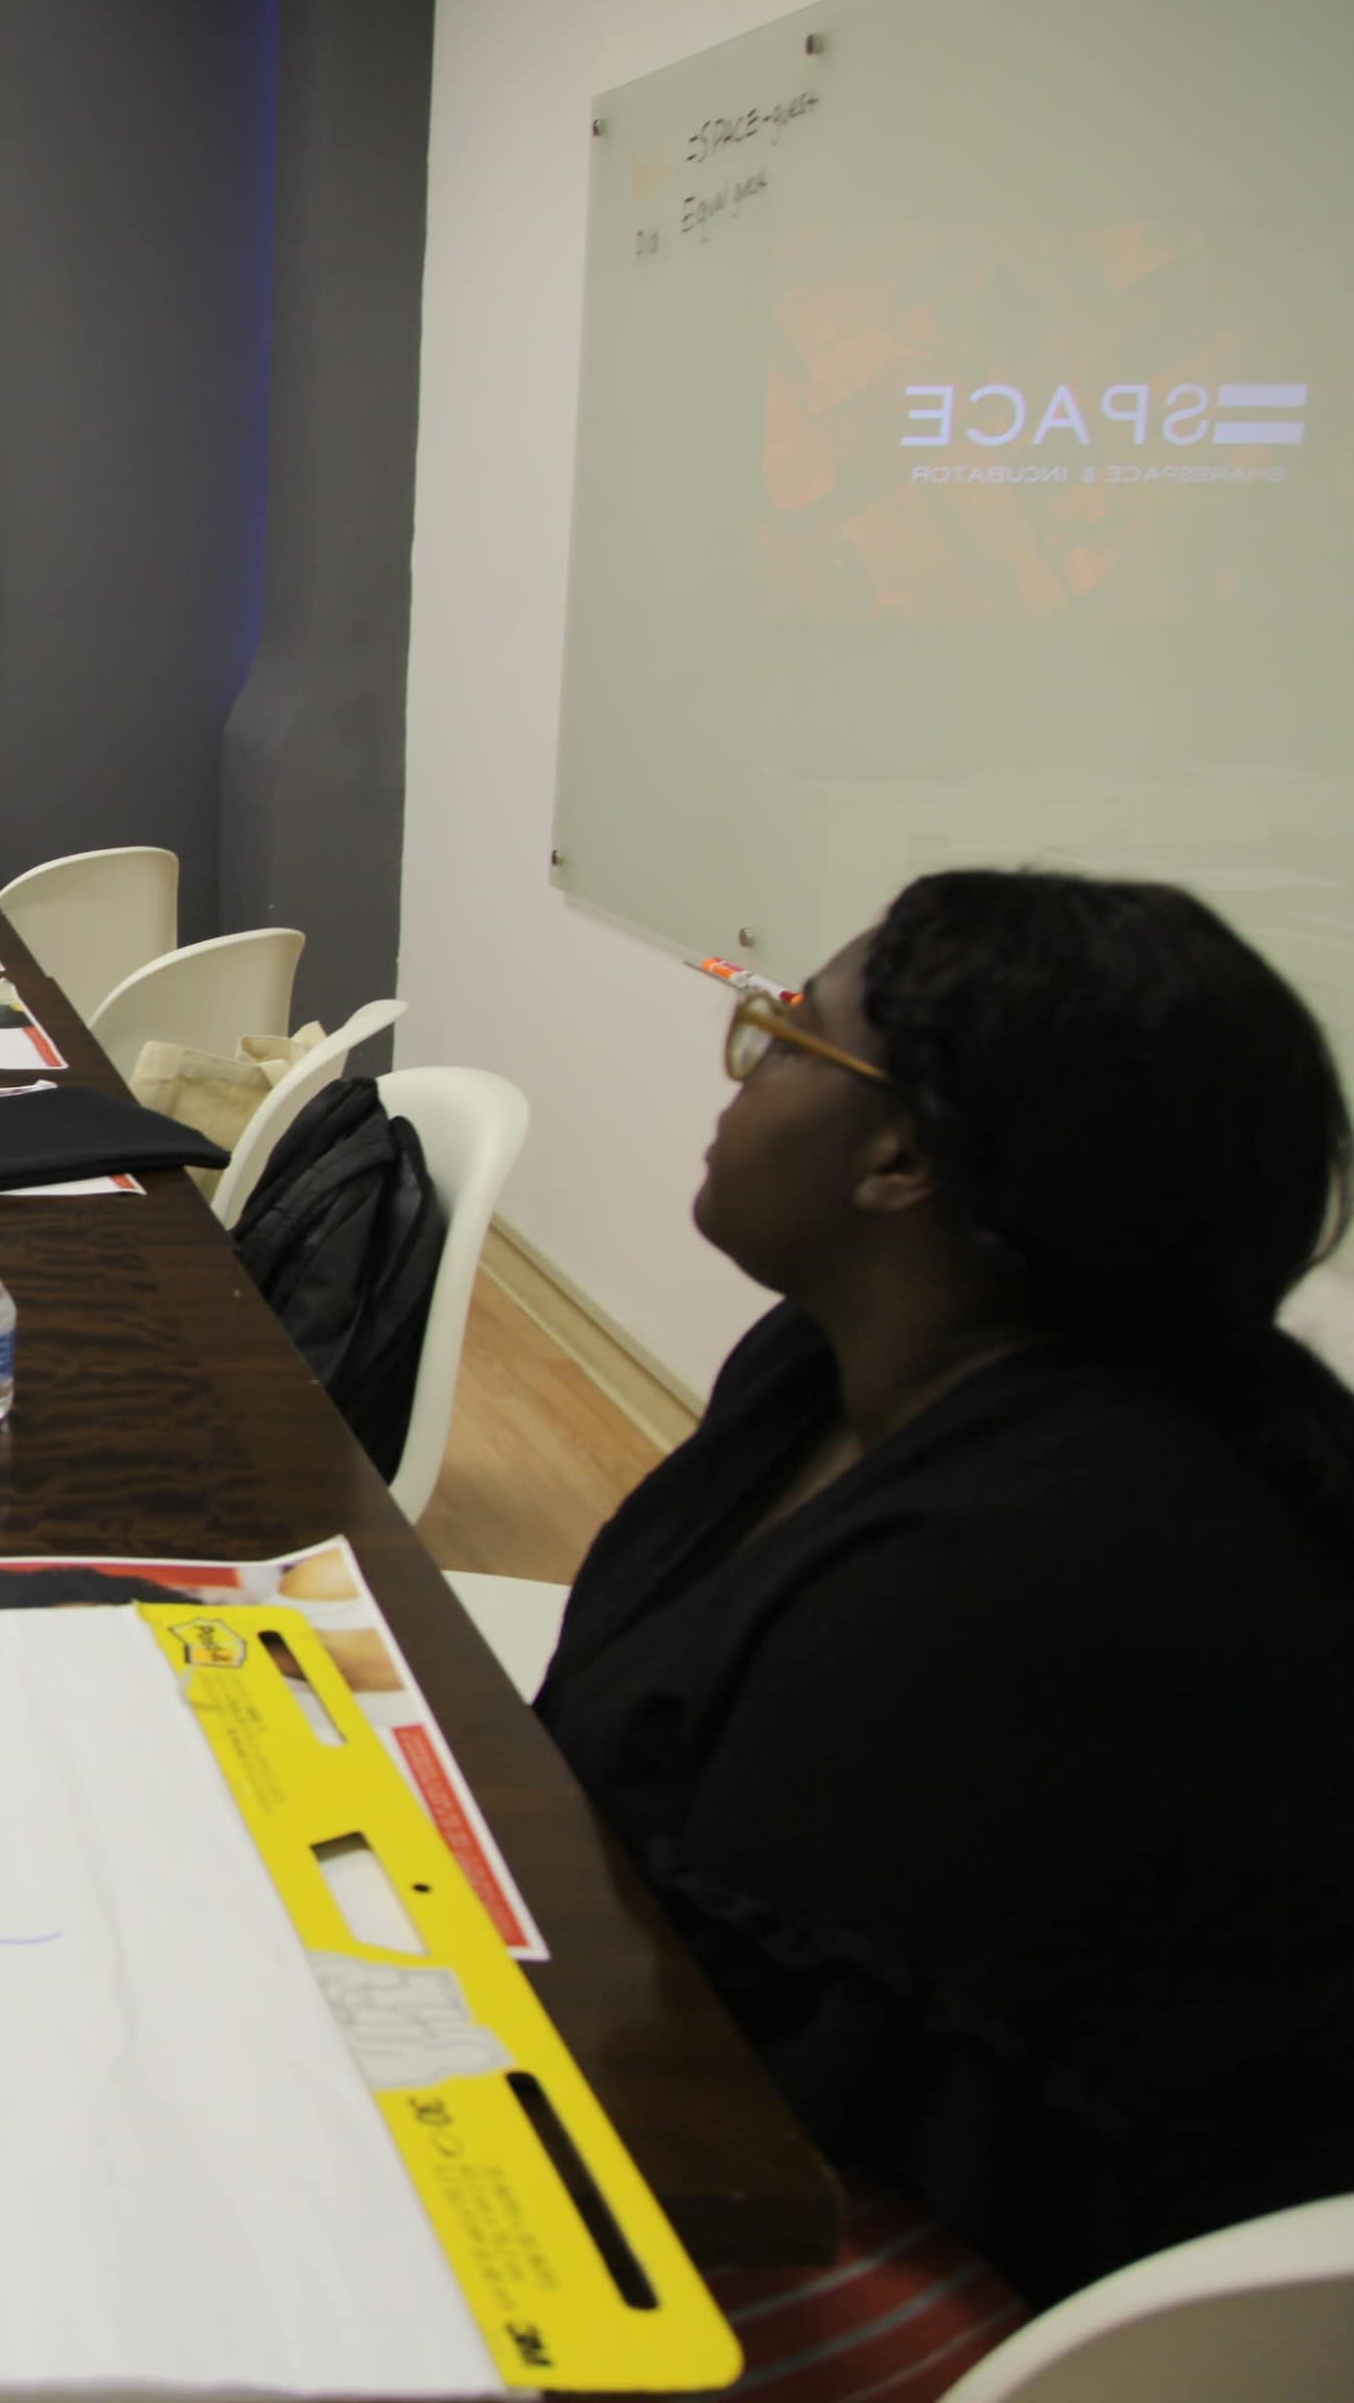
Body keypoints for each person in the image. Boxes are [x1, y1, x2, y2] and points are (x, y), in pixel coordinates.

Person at [536, 870, 1354, 2338]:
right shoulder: (814, 1370)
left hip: (929, 2259)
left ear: (902, 1157)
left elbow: (709, 2084)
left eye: (786, 1035)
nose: (739, 1069)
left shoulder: (1036, 1570)